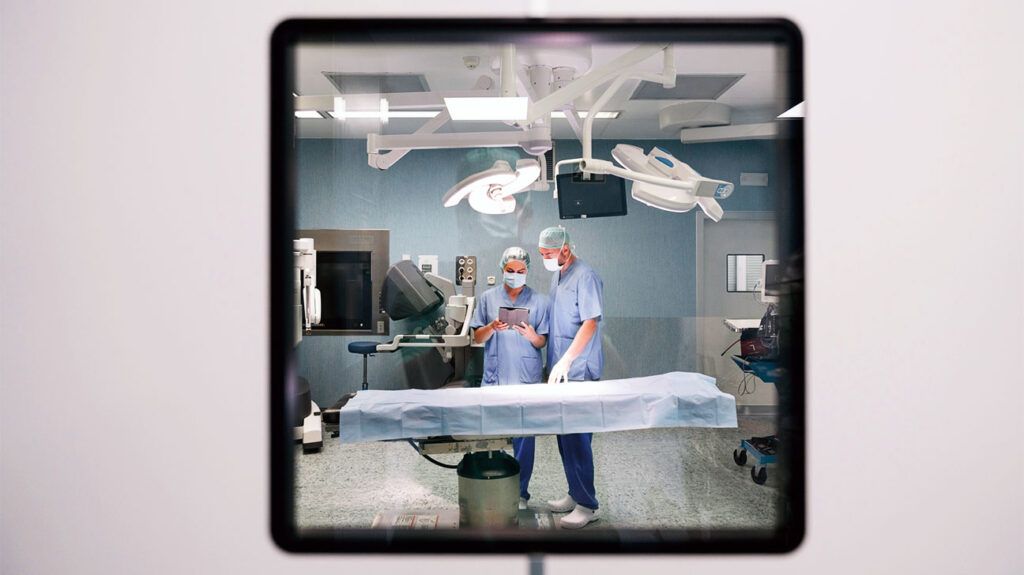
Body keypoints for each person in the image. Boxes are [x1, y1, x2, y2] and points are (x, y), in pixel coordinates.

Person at [470, 246, 549, 509]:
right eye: (510, 271)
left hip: (526, 379)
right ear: (502, 269)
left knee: (525, 439)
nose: (515, 274)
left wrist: (531, 335)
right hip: (495, 377)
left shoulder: (540, 301)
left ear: (527, 271)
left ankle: (520, 493)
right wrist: (492, 327)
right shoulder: (487, 298)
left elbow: (541, 343)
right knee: (490, 435)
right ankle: (490, 485)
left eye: (521, 271)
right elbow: (476, 337)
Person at [538, 225, 604, 529]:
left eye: (549, 254)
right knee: (564, 437)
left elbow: (590, 322)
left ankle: (588, 504)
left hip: (579, 371)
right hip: (560, 372)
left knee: (578, 439)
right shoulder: (558, 275)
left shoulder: (585, 276)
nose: (546, 259)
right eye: (542, 255)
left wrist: (566, 360)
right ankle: (574, 493)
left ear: (565, 248)